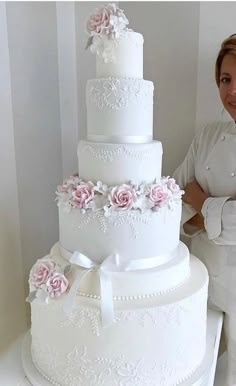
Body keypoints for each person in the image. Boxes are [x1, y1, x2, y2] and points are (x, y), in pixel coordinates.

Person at [173, 34, 236, 386]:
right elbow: (174, 192)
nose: (232, 92)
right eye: (226, 80)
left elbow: (189, 197)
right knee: (194, 368)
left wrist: (199, 202)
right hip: (199, 276)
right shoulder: (208, 135)